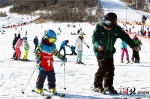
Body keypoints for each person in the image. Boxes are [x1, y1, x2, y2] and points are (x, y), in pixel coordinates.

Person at [92, 12, 139, 94]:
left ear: (114, 23)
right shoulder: (99, 27)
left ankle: (108, 86)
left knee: (110, 70)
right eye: (104, 21)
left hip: (109, 52)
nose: (105, 25)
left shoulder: (116, 29)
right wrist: (97, 45)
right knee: (103, 68)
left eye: (108, 23)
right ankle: (97, 86)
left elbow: (125, 37)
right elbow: (94, 38)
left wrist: (133, 45)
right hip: (100, 51)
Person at [34, 29, 67, 94]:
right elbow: (36, 52)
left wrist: (62, 57)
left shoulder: (53, 46)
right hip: (42, 65)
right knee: (41, 77)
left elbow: (56, 53)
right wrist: (38, 58)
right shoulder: (41, 45)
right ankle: (39, 88)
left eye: (54, 40)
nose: (52, 42)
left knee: (52, 78)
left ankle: (52, 88)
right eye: (51, 40)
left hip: (50, 65)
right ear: (46, 38)